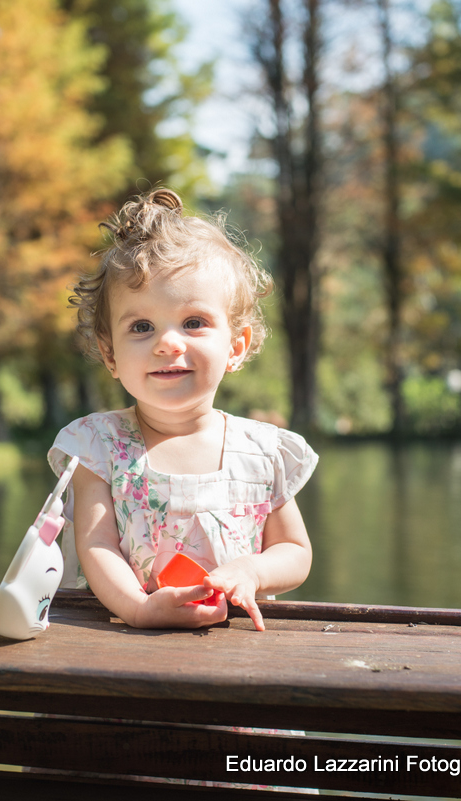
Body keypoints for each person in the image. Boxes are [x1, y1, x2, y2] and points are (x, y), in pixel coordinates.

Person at [48, 188, 318, 631]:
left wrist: (252, 570)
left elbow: (295, 551)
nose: (168, 343)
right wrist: (138, 608)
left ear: (236, 346)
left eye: (193, 322)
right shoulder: (98, 447)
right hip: (118, 643)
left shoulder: (262, 451)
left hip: (237, 650)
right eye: (142, 327)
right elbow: (97, 545)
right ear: (110, 354)